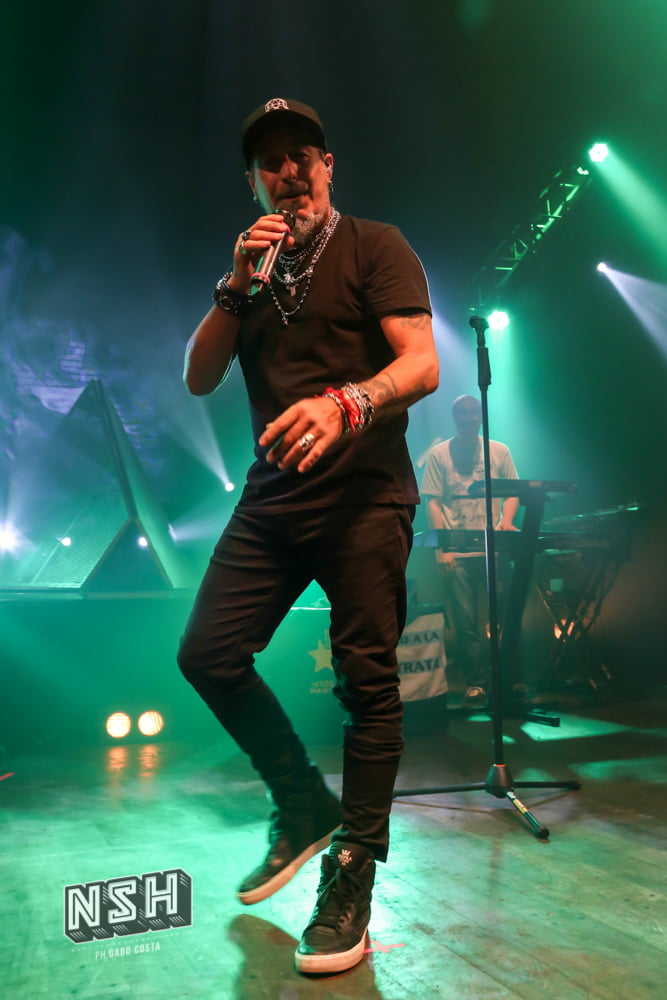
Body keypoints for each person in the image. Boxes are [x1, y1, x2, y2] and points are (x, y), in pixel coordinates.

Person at [177, 97, 439, 975]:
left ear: (329, 167)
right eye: (271, 162)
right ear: (253, 182)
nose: (288, 172)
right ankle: (300, 803)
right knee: (208, 653)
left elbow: (421, 363)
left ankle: (352, 870)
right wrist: (234, 285)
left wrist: (347, 402)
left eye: (302, 156)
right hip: (274, 499)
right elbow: (198, 378)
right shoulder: (249, 277)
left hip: (364, 496)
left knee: (367, 683)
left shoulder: (374, 245)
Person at [420, 395, 518, 708]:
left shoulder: (499, 450)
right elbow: (433, 501)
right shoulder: (440, 454)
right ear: (454, 417)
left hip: (493, 548)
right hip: (458, 552)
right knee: (465, 622)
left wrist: (506, 521)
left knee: (503, 617)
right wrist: (443, 548)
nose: (468, 418)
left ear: (480, 416)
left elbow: (514, 491)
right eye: (462, 413)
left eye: (473, 413)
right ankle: (477, 682)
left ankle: (507, 680)